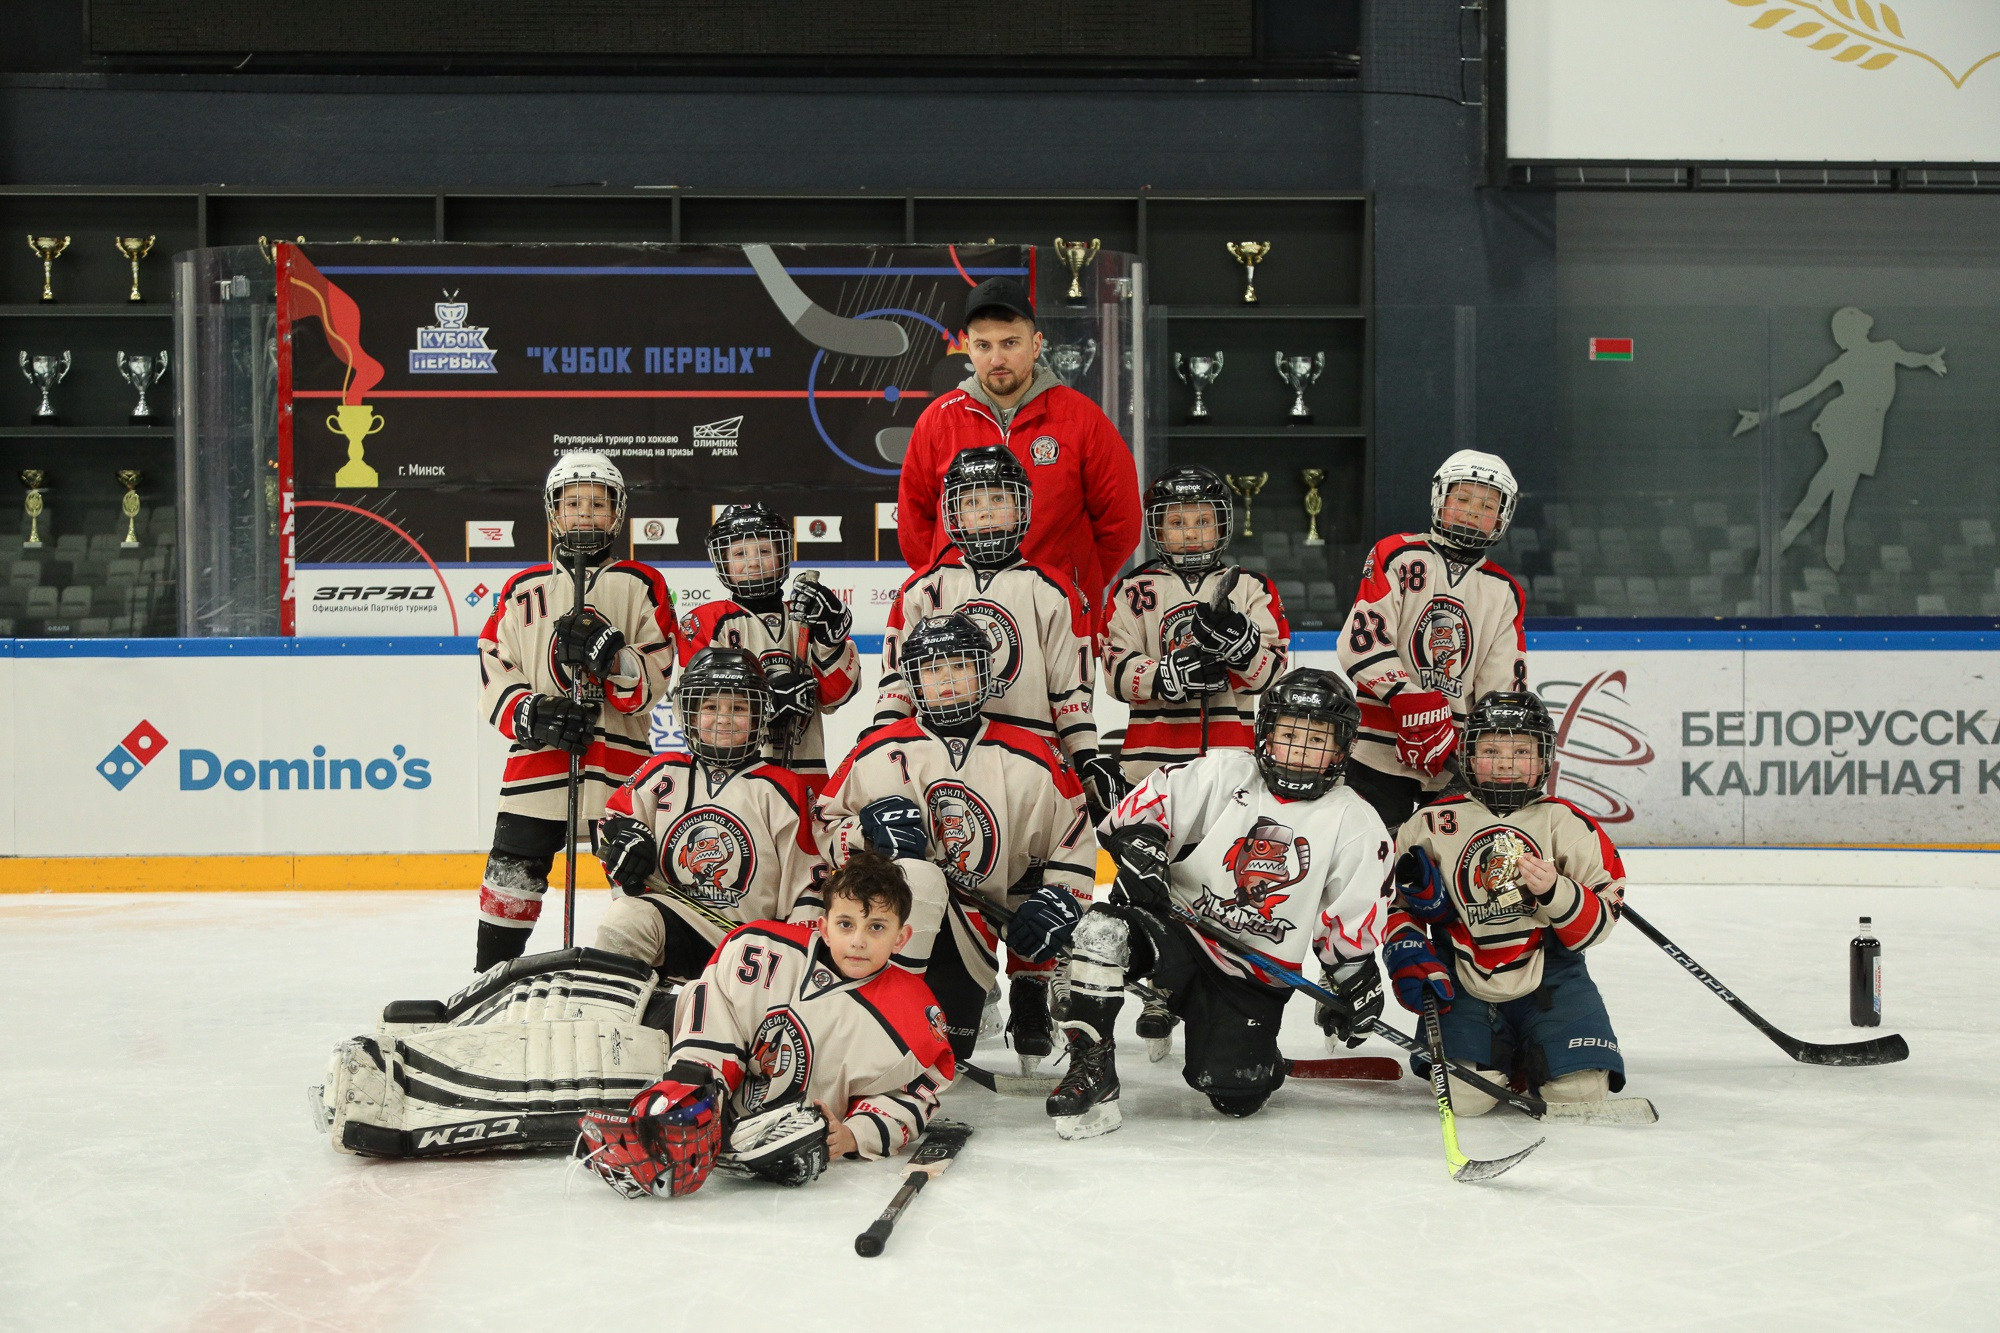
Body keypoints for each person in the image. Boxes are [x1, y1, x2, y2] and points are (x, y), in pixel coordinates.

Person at [1046, 668, 1392, 1139]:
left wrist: (1353, 978)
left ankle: (1257, 1056)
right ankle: (1093, 1069)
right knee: (1103, 929)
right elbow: (1144, 809)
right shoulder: (1227, 772)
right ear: (1265, 732)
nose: (1299, 750)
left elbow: (1351, 919)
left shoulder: (1355, 820)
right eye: (1289, 734)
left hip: (1253, 975)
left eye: (1317, 740)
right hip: (1180, 933)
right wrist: (1144, 847)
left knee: (1234, 1095)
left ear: (1342, 748)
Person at [576, 850, 956, 1198]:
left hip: (791, 1130)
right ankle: (681, 1109)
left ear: (901, 938)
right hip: (723, 1098)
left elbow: (911, 1097)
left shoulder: (914, 1014)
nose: (858, 941)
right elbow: (717, 1005)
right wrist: (697, 1080)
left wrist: (853, 1135)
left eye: (876, 927)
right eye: (846, 924)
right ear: (823, 927)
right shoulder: (760, 947)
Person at [821, 612, 1097, 1070]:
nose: (946, 681)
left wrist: (1059, 902)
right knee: (918, 879)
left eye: (960, 666)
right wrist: (862, 832)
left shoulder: (1029, 754)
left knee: (949, 1046)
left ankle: (994, 995)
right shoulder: (877, 750)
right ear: (912, 680)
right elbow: (822, 825)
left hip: (972, 932)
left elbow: (1072, 837)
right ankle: (887, 1003)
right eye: (932, 670)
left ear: (985, 672)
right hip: (882, 933)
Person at [473, 451, 678, 972]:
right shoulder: (524, 588)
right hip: (539, 760)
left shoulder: (641, 584)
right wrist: (533, 713)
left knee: (635, 873)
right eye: (572, 503)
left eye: (597, 503)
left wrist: (614, 658)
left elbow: (657, 673)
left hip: (621, 761)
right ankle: (488, 975)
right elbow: (495, 664)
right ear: (553, 512)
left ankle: (642, 975)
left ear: (616, 513)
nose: (584, 513)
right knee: (512, 871)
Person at [1381, 690, 1628, 1114]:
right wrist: (1409, 946)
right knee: (1468, 1099)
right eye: (1491, 748)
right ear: (1470, 756)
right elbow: (1395, 904)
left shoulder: (1567, 822)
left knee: (1580, 1094)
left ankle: (1530, 1048)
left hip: (1552, 975)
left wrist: (1556, 891)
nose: (1506, 761)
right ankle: (1510, 1050)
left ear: (1544, 757)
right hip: (1461, 974)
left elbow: (1599, 922)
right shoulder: (1429, 823)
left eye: (1521, 750)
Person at [876, 443, 1128, 822]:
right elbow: (898, 683)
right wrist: (879, 743)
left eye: (998, 499)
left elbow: (1069, 690)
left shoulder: (1052, 590)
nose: (988, 512)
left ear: (1022, 508)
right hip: (940, 759)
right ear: (954, 513)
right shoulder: (922, 590)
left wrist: (1086, 756)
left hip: (1031, 763)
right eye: (973, 503)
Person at [896, 275, 1141, 618]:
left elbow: (1122, 520)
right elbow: (914, 525)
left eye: (1010, 343)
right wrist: (951, 583)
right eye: (984, 345)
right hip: (961, 615)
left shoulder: (1081, 418)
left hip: (1059, 616)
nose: (997, 359)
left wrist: (1071, 583)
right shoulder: (938, 421)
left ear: (1036, 344)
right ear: (968, 346)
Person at [595, 647, 829, 978]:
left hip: (753, 941)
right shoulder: (661, 773)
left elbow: (808, 885)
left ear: (759, 715)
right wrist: (627, 839)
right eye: (710, 706)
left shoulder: (783, 789)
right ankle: (618, 1017)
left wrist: (797, 953)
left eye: (738, 707)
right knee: (625, 921)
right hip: (676, 920)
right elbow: (611, 824)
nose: (722, 718)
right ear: (689, 713)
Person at [1337, 449, 1527, 833]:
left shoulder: (1503, 589)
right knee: (1367, 851)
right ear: (1440, 499)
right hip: (1377, 745)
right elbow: (1361, 643)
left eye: (1487, 505)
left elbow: (1501, 685)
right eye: (1463, 499)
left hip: (1451, 757)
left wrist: (1482, 750)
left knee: (1444, 867)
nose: (1473, 511)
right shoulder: (1398, 554)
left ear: (1502, 517)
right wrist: (1412, 700)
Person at [1103, 465, 1290, 782]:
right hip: (1148, 769)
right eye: (1177, 523)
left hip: (1233, 766)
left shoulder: (1253, 587)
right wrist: (1165, 675)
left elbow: (1269, 675)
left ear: (1221, 526)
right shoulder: (1131, 589)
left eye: (1202, 522)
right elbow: (1115, 671)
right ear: (1158, 530)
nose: (1191, 533)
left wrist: (1243, 650)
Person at [662, 504, 860, 792]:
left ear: (783, 554)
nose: (754, 562)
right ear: (722, 561)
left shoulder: (809, 616)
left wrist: (831, 638)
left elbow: (834, 697)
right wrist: (768, 703)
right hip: (732, 776)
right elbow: (690, 709)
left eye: (765, 551)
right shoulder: (705, 621)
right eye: (741, 553)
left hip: (806, 775)